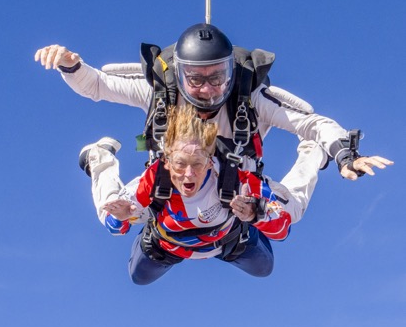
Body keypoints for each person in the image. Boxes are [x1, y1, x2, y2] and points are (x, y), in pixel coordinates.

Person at [35, 23, 393, 183]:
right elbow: (98, 85)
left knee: (262, 256)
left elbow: (311, 122)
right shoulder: (161, 94)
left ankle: (311, 161)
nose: (207, 89)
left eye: (217, 77)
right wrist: (71, 64)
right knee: (121, 228)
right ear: (180, 74)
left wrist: (346, 154)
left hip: (233, 189)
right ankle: (99, 160)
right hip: (173, 183)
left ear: (230, 73)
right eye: (196, 78)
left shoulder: (247, 98)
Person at [79, 105, 391, 285]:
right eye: (180, 165)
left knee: (265, 266)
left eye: (198, 164)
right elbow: (116, 225)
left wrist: (257, 213)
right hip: (169, 242)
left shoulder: (235, 179)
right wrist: (121, 217)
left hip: (227, 240)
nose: (188, 175)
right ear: (167, 161)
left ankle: (313, 153)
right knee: (135, 270)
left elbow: (284, 229)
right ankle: (99, 158)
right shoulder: (155, 177)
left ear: (210, 161)